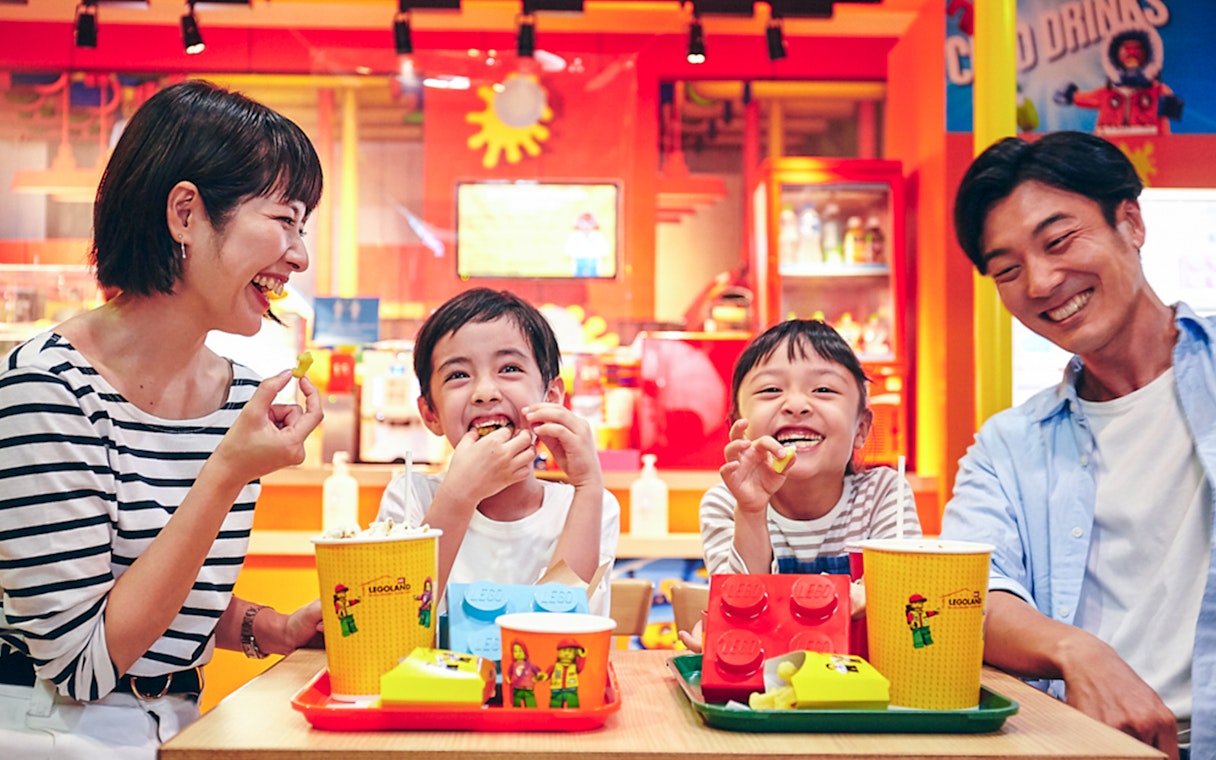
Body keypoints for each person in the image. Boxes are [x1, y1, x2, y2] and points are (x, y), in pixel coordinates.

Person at [0, 80, 325, 757]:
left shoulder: (238, 399)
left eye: (304, 227)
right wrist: (226, 475)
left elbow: (155, 594)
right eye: (285, 220)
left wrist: (266, 629)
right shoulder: (48, 390)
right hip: (48, 731)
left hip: (181, 723)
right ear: (186, 214)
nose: (299, 255)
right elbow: (83, 662)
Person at [940, 130, 1213, 760]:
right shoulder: (1008, 446)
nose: (1040, 282)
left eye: (1058, 241)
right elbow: (969, 592)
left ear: (1131, 221)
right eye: (1007, 269)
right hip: (1083, 745)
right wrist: (1076, 650)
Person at [682, 319, 921, 650]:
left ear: (861, 427)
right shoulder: (727, 503)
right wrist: (751, 511)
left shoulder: (883, 494)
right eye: (770, 390)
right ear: (738, 424)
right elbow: (740, 615)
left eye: (823, 390)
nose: (796, 405)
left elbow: (906, 603)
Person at [377, 288, 619, 614]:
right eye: (458, 375)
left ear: (551, 396)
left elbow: (561, 624)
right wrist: (458, 496)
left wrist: (589, 486)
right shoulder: (409, 497)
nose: (486, 392)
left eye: (509, 369)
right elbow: (395, 617)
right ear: (430, 414)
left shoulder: (588, 504)